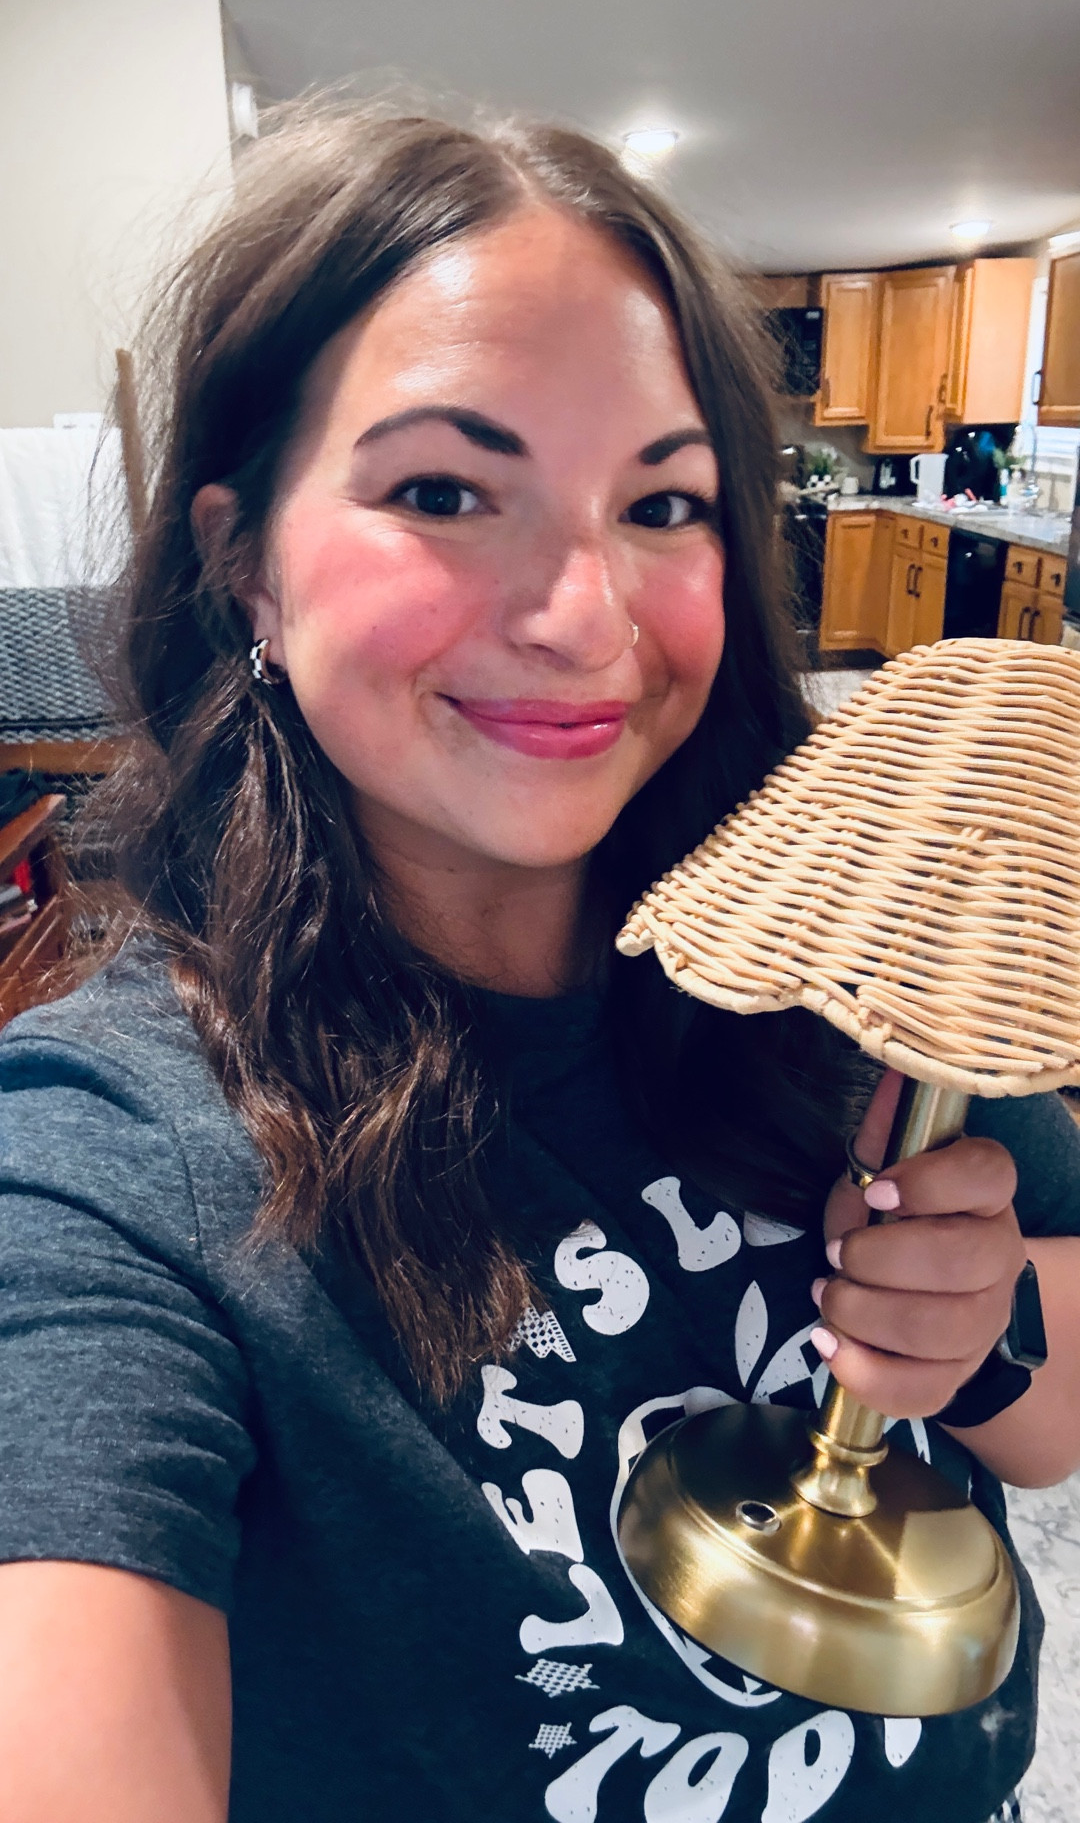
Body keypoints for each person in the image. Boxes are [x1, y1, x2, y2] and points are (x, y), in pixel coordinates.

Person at [0, 103, 1077, 1823]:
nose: (588, 616)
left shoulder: (860, 948)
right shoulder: (120, 1164)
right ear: (239, 559)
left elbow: (1050, 1420)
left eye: (663, 502)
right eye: (444, 490)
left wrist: (986, 1331)